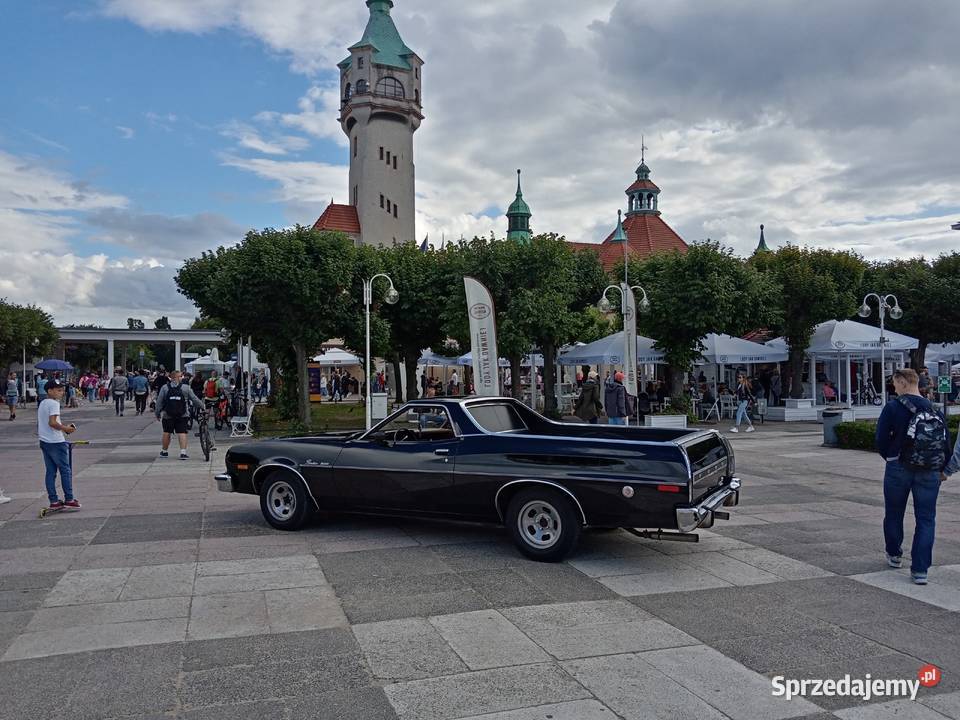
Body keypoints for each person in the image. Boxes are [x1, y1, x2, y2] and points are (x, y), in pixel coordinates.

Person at [876, 368, 951, 585]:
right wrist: (941, 468)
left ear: (902, 382)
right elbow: (945, 442)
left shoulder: (892, 407)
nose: (894, 388)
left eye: (894, 383)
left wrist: (891, 457)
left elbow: (881, 439)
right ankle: (920, 570)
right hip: (929, 470)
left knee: (894, 512)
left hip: (898, 467)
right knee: (926, 519)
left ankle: (894, 554)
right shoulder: (934, 409)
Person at [37, 379, 80, 512]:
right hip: (56, 441)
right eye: (58, 390)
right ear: (49, 391)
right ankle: (69, 499)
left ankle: (54, 500)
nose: (61, 393)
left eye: (62, 390)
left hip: (44, 441)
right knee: (65, 470)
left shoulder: (43, 403)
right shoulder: (54, 403)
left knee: (51, 472)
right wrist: (66, 428)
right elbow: (52, 422)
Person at [155, 370, 205, 460]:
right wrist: (203, 406)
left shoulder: (165, 388)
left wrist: (157, 413)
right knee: (182, 432)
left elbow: (159, 402)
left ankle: (164, 452)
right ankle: (183, 453)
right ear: (176, 377)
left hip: (168, 414)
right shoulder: (186, 388)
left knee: (167, 432)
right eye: (180, 376)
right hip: (182, 414)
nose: (182, 378)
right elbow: (194, 399)